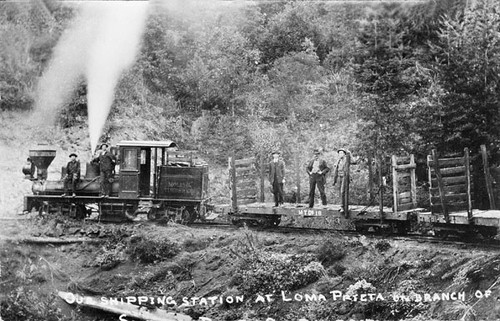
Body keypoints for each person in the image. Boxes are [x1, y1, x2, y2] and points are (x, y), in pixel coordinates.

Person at [333, 148, 353, 213]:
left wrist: (350, 154)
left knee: (342, 191)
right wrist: (334, 179)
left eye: (341, 153)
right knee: (340, 192)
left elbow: (354, 161)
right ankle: (342, 206)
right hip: (339, 176)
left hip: (345, 176)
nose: (340, 154)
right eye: (339, 153)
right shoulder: (338, 160)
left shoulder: (347, 160)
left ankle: (342, 206)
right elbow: (336, 168)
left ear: (344, 154)